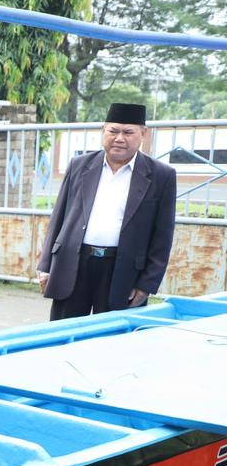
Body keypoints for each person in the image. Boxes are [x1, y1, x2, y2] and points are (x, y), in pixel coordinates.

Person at [37, 102, 177, 320]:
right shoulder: (80, 165)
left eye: (128, 132)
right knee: (63, 335)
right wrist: (46, 265)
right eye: (113, 131)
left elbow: (163, 236)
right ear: (103, 130)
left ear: (143, 134)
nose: (119, 138)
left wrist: (147, 284)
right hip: (74, 263)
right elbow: (59, 217)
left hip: (123, 270)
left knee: (114, 340)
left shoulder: (161, 175)